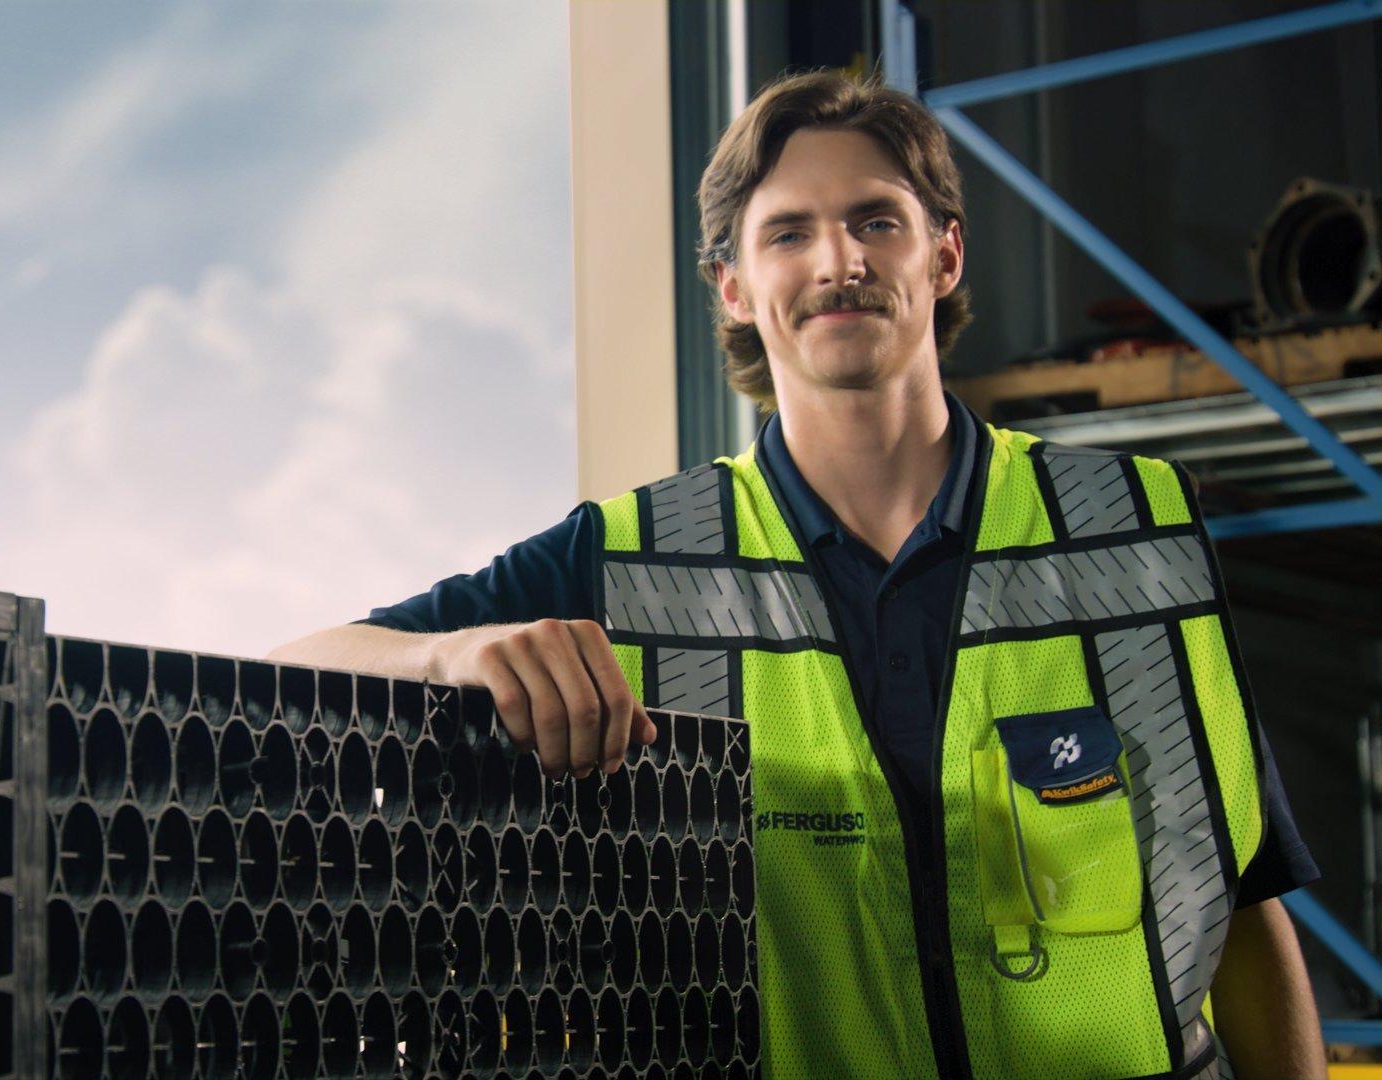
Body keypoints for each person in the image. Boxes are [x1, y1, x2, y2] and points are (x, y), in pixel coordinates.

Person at [269, 70, 1323, 1079]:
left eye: (876, 220)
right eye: (788, 232)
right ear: (733, 286)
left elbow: (1241, 900)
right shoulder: (634, 557)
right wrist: (457, 650)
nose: (839, 261)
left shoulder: (1134, 531)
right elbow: (289, 666)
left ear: (944, 258)